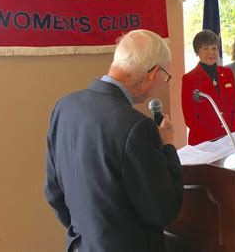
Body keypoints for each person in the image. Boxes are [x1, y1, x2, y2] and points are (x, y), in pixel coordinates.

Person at [45, 30, 183, 252]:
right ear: (153, 73)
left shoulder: (64, 107)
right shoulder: (136, 127)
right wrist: (167, 145)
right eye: (164, 75)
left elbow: (54, 192)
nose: (162, 81)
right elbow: (163, 210)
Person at [182, 29, 235, 145]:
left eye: (214, 48)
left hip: (231, 139)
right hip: (205, 142)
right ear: (197, 52)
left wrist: (234, 135)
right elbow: (190, 119)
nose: (211, 53)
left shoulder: (227, 73)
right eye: (205, 49)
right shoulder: (189, 79)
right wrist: (214, 141)